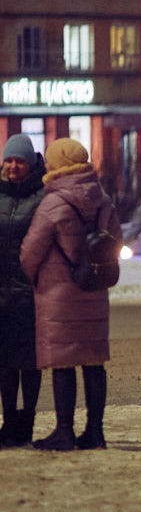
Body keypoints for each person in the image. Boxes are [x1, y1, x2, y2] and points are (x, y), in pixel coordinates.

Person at [19, 138, 121, 450]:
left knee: (63, 363)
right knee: (93, 361)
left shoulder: (53, 202)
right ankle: (95, 432)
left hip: (60, 294)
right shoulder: (102, 199)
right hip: (93, 288)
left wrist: (38, 276)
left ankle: (64, 431)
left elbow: (30, 252)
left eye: (51, 162)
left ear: (60, 165)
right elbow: (115, 240)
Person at [0, 135, 46, 446]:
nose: (14, 166)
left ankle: (27, 422)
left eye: (20, 161)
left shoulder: (43, 195)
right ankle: (9, 422)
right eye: (9, 160)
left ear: (30, 165)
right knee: (3, 362)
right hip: (1, 289)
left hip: (31, 289)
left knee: (29, 361)